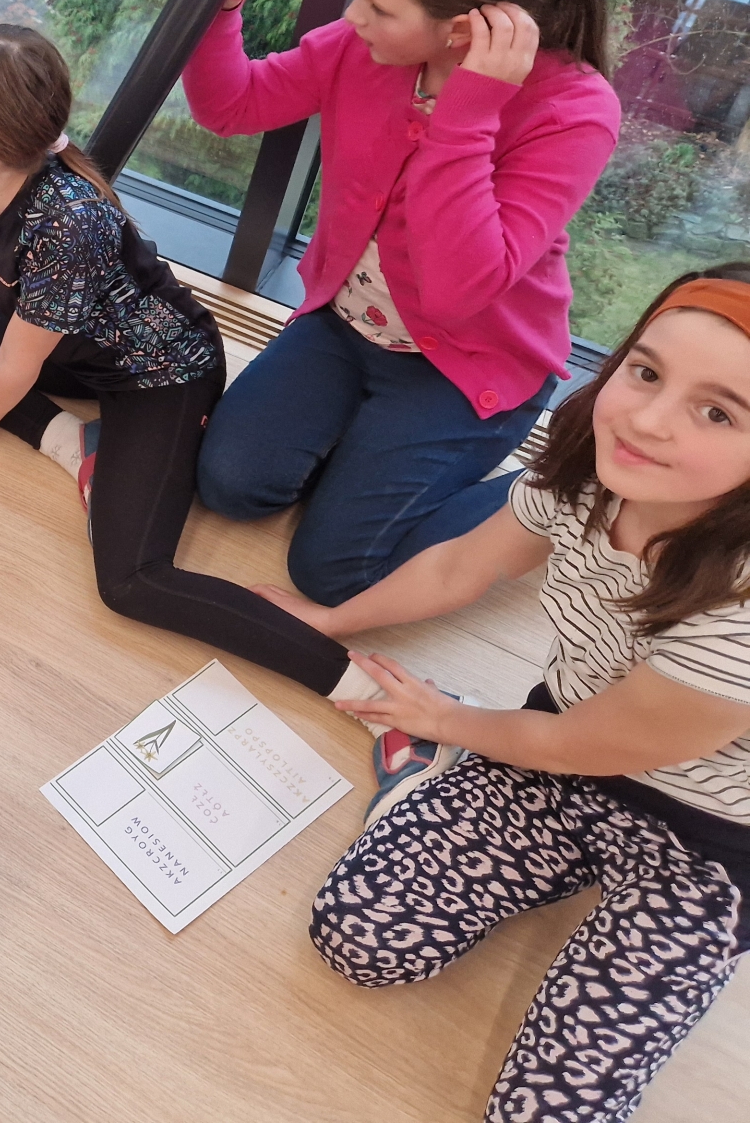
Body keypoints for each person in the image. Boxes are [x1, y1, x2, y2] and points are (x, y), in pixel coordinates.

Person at [0, 25, 384, 747]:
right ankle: (73, 441)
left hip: (157, 374)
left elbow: (17, 364)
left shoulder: (69, 223)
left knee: (131, 581)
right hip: (71, 344)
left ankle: (354, 684)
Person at [268, 266, 750, 1123]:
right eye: (645, 371)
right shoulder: (585, 473)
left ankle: (438, 770)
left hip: (705, 844)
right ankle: (432, 783)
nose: (647, 420)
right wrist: (331, 619)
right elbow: (465, 563)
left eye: (719, 413)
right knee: (357, 935)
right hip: (551, 747)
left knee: (547, 1113)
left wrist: (446, 719)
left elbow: (589, 748)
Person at [174, 0, 621, 607]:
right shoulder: (365, 50)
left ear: (462, 28)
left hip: (463, 367)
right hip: (345, 327)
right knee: (231, 485)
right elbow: (232, 106)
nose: (354, 16)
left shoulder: (574, 111)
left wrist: (469, 110)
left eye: (380, 7)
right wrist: (218, 10)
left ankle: (566, 494)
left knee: (333, 573)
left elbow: (456, 292)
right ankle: (366, 448)